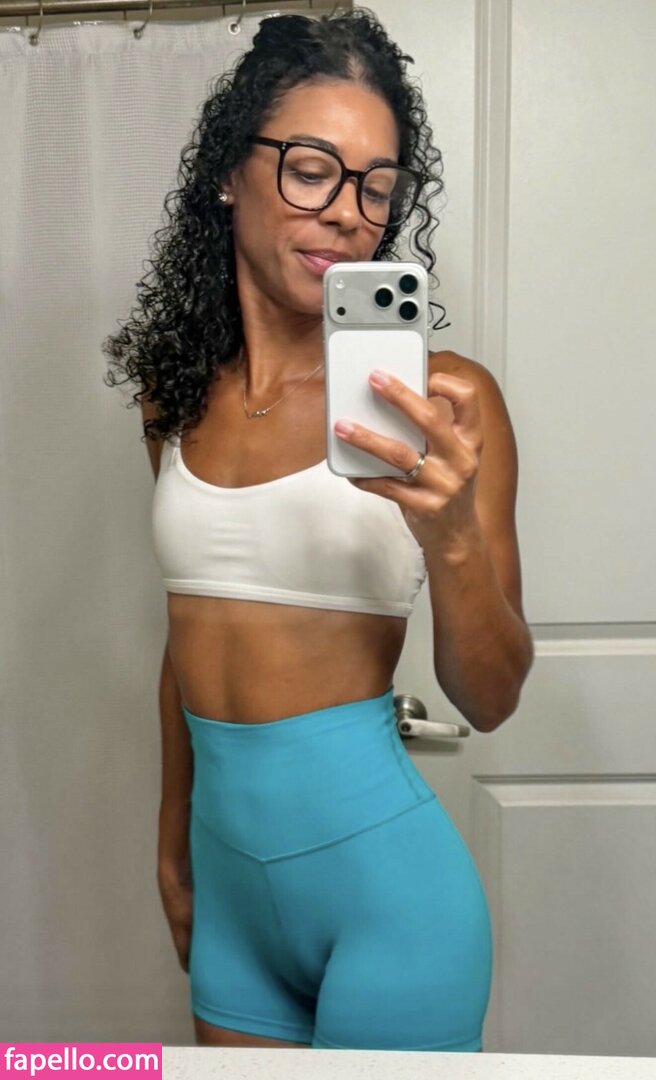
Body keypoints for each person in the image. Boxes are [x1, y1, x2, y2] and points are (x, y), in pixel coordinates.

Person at [103, 7, 533, 1053]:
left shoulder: (446, 402)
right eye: (310, 169)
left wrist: (451, 537)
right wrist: (172, 837)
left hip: (392, 909)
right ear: (228, 173)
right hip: (232, 906)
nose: (346, 212)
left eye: (376, 186)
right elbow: (188, 635)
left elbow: (490, 698)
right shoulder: (174, 397)